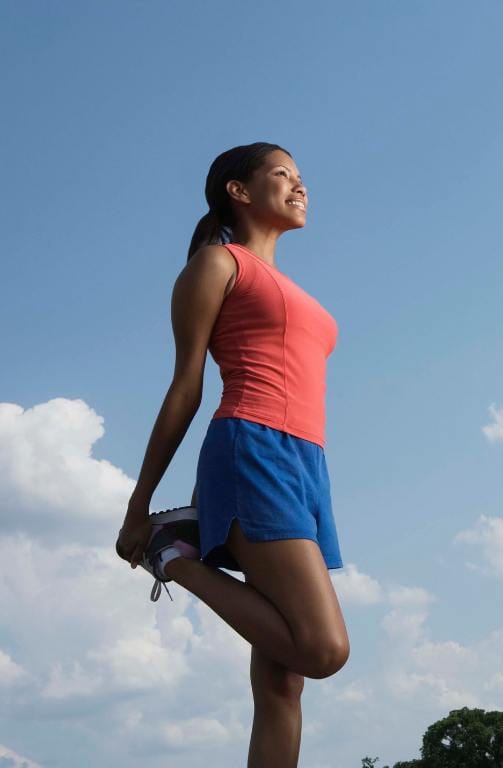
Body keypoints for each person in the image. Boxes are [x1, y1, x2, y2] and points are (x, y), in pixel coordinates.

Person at [114, 142, 349, 768]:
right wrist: (138, 510)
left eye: (303, 177)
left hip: (306, 463)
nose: (300, 186)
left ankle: (179, 541)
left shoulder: (287, 284)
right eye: (283, 176)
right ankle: (174, 552)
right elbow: (185, 385)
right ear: (238, 192)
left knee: (282, 685)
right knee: (324, 650)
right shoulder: (219, 264)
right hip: (253, 448)